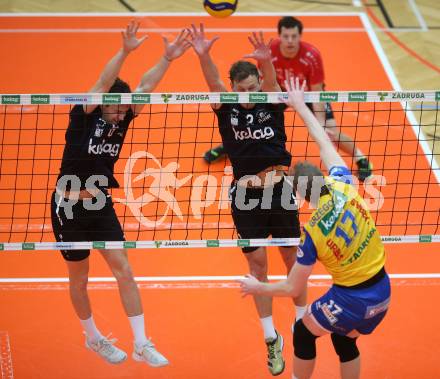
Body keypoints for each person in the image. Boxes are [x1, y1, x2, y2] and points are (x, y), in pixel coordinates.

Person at [50, 21, 190, 366]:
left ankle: (142, 343)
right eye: (114, 108)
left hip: (100, 203)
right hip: (68, 207)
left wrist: (168, 58)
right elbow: (101, 82)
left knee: (124, 269)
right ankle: (93, 338)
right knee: (79, 278)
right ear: (103, 103)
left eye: (123, 108)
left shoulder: (124, 115)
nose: (119, 114)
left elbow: (145, 85)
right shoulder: (85, 113)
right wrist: (126, 51)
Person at [238, 76, 390, 379]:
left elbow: (293, 287)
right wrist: (298, 104)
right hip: (383, 292)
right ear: (322, 177)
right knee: (343, 341)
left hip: (352, 299)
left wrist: (258, 287)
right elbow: (323, 139)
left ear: (299, 195)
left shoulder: (313, 234)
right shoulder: (344, 184)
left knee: (303, 334)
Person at [187, 24, 307, 376]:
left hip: (281, 193)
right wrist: (203, 54)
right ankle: (271, 339)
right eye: (242, 90)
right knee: (258, 270)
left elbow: (270, 83)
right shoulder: (228, 109)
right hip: (246, 197)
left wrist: (266, 60)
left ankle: (300, 327)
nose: (248, 94)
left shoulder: (270, 101)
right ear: (234, 89)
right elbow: (212, 84)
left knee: (292, 260)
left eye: (252, 88)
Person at [204, 16, 373, 182]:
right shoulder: (270, 53)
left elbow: (317, 90)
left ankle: (361, 158)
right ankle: (229, 146)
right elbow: (265, 82)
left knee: (330, 131)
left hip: (305, 94)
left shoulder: (311, 55)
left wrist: (320, 123)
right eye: (286, 36)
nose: (290, 40)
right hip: (279, 93)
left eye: (294, 36)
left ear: (300, 36)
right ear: (280, 36)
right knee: (246, 120)